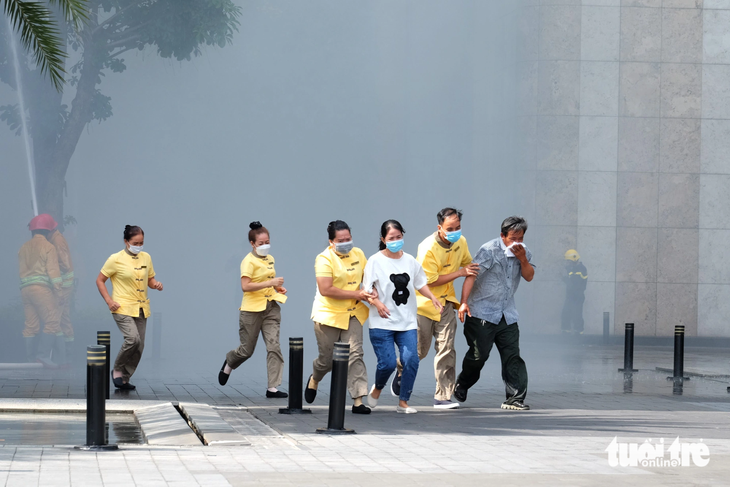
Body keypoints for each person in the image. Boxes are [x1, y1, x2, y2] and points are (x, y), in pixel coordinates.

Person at [392, 208, 478, 409]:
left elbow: (470, 269)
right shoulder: (427, 247)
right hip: (424, 305)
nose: (455, 232)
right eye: (450, 228)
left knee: (447, 349)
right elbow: (428, 282)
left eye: (458, 227)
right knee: (418, 351)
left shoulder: (461, 242)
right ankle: (400, 369)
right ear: (439, 228)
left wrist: (463, 301)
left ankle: (443, 396)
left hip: (446, 304)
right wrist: (459, 273)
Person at [454, 216, 535, 411]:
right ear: (502, 236)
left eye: (520, 238)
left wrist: (522, 259)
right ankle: (463, 383)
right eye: (513, 238)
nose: (517, 243)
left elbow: (529, 276)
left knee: (512, 356)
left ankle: (515, 398)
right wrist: (463, 303)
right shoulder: (489, 251)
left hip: (507, 315)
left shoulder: (524, 253)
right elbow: (471, 275)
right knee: (478, 356)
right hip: (481, 313)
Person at [363, 220, 443, 414]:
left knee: (411, 360)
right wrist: (378, 303)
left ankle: (403, 402)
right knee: (388, 364)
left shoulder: (410, 261)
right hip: (382, 322)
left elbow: (420, 283)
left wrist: (432, 297)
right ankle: (378, 388)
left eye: (399, 237)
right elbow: (366, 290)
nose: (396, 241)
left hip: (406, 322)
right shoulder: (374, 261)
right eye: (391, 238)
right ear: (383, 239)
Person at [305, 220, 375, 414]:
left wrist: (372, 293)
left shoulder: (359, 254)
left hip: (353, 312)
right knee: (326, 360)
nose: (346, 243)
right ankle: (315, 379)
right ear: (331, 241)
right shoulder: (323, 258)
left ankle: (358, 400)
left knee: (355, 354)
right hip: (328, 315)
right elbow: (325, 289)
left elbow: (368, 281)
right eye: (341, 240)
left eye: (348, 239)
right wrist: (358, 294)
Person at [218, 222, 288, 399]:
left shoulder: (270, 259)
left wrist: (277, 289)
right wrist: (270, 283)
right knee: (247, 350)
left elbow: (269, 281)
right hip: (251, 310)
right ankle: (230, 361)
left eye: (267, 242)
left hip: (270, 307)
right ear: (252, 244)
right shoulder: (248, 261)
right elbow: (245, 286)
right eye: (261, 243)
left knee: (274, 346)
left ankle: (272, 387)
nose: (265, 246)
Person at [96, 225, 163, 390]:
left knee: (140, 346)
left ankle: (125, 378)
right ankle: (117, 369)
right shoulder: (115, 259)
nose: (139, 246)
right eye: (135, 242)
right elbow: (100, 280)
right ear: (126, 241)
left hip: (141, 307)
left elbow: (150, 280)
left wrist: (156, 285)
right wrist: (109, 301)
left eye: (141, 243)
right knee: (132, 339)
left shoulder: (146, 257)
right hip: (121, 306)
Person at [19, 214, 64, 368]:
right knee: (52, 321)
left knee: (31, 325)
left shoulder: (23, 247)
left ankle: (30, 361)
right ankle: (43, 357)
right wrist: (59, 292)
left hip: (25, 290)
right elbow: (54, 272)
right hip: (41, 290)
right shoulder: (49, 247)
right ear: (48, 231)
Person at [47, 217, 75, 365]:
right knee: (63, 317)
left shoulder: (56, 241)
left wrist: (49, 265)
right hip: (64, 285)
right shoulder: (56, 238)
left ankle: (61, 354)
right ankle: (66, 354)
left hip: (63, 286)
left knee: (56, 317)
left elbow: (63, 264)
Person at [561, 249, 587, 335]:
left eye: (568, 261)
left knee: (577, 315)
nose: (567, 263)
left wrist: (564, 278)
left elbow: (575, 283)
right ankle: (566, 331)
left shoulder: (581, 269)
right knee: (566, 312)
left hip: (578, 295)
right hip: (571, 295)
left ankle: (579, 332)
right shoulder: (573, 268)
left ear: (574, 259)